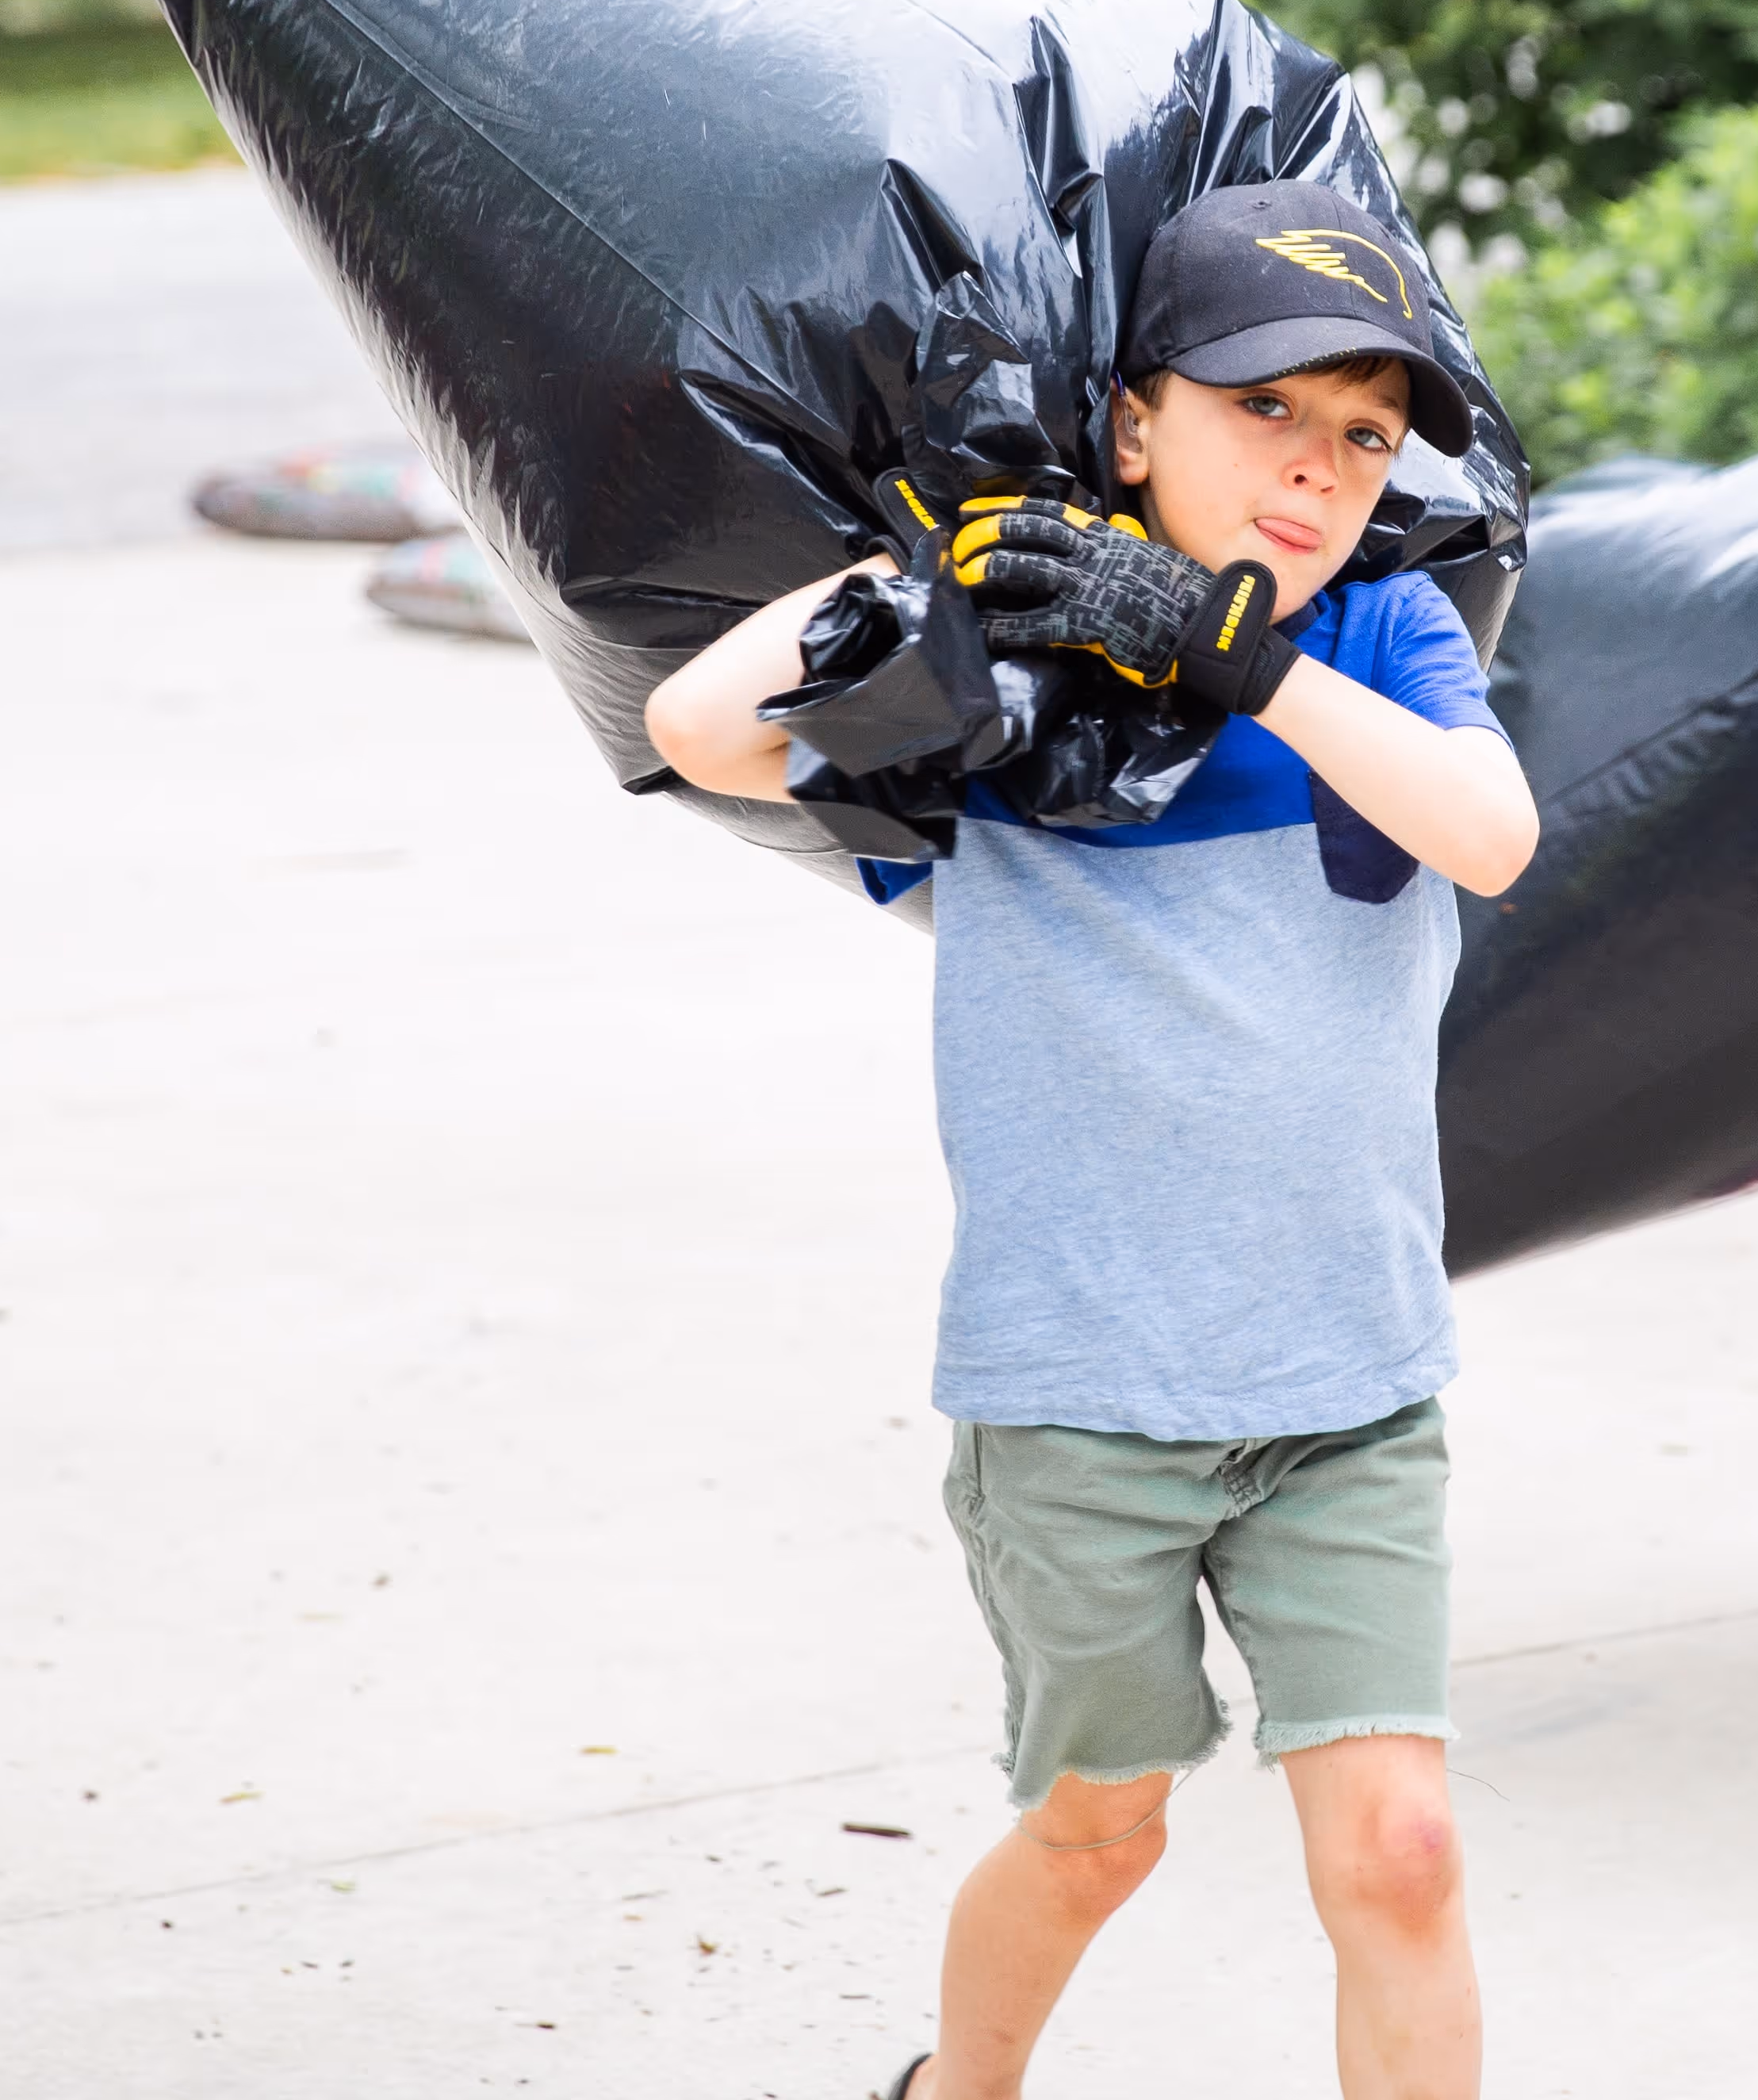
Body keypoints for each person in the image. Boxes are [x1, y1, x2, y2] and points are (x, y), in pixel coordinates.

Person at [642, 180, 1540, 2100]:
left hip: (1348, 1394)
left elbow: (1493, 833)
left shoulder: (1381, 637)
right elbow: (701, 724)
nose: (1316, 473)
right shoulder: (1014, 706)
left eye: (1364, 436)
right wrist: (949, 546)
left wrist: (1244, 656)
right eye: (1260, 411)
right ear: (1134, 424)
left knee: (1403, 1849)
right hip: (1080, 1405)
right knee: (1099, 1833)